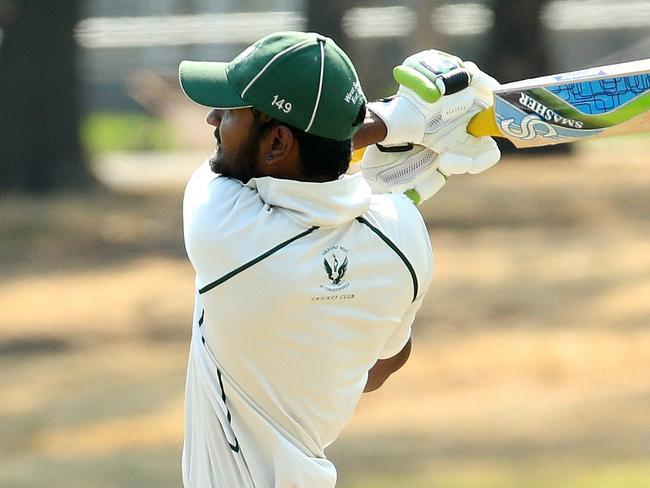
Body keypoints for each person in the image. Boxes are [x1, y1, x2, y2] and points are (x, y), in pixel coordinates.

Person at [178, 31, 500, 488]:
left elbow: (229, 173)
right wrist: (405, 128)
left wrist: (394, 122)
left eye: (231, 112)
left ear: (276, 145)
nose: (213, 119)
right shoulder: (403, 237)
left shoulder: (224, 230)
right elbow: (382, 364)